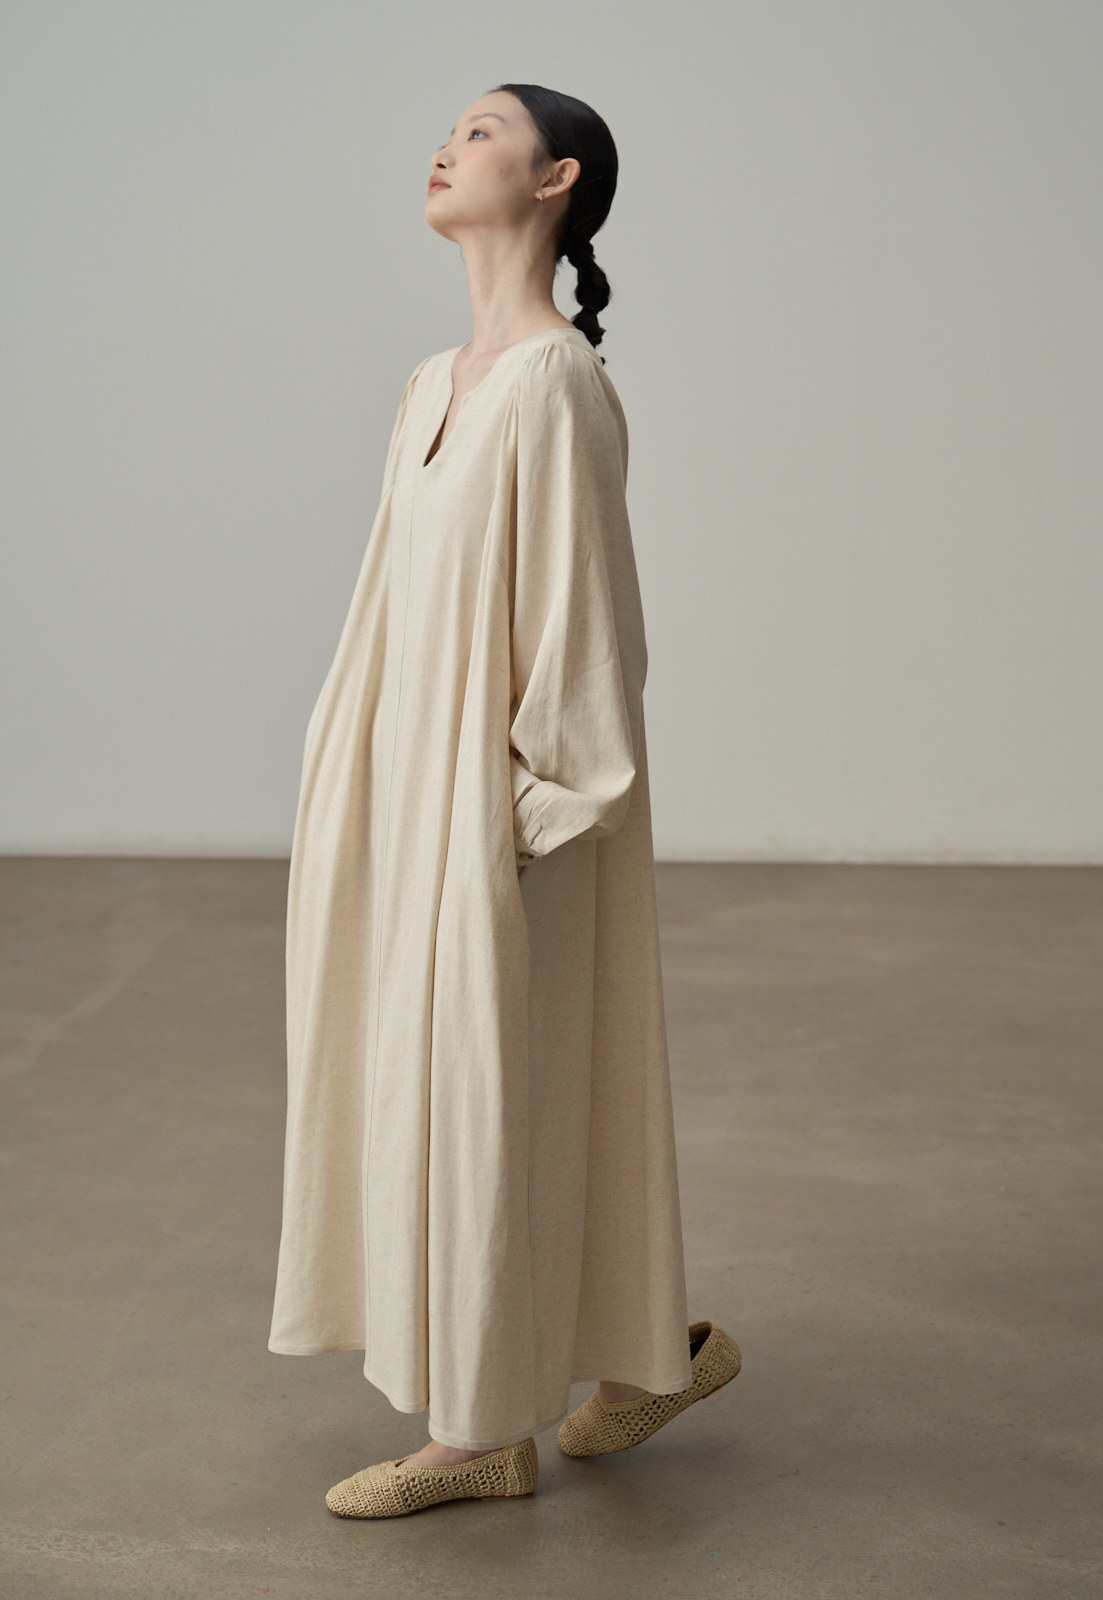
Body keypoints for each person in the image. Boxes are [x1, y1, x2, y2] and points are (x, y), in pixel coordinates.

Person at [267, 82, 741, 1519]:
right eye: (450, 128)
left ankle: (477, 1430)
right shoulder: (435, 382)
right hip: (408, 790)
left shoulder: (555, 382)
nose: (446, 145)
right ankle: (645, 1353)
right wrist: (353, 769)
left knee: (491, 1088)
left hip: (507, 802)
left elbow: (592, 622)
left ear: (555, 179)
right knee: (449, 1085)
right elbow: (395, 599)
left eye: (481, 130)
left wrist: (533, 809)